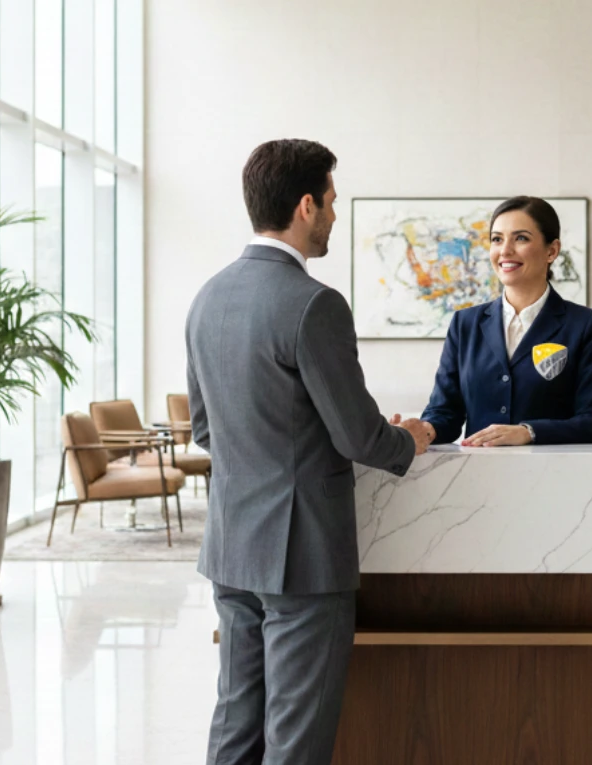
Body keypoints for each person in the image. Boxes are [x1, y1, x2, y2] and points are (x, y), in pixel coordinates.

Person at [185, 139, 433, 765]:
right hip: (303, 556)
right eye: (330, 202)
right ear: (304, 206)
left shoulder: (208, 297)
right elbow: (360, 438)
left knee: (236, 723)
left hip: (232, 544)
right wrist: (415, 437)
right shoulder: (314, 303)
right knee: (297, 740)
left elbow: (206, 429)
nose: (332, 216)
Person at [417, 196, 592, 446]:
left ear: (552, 251)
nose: (505, 250)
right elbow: (445, 413)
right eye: (497, 239)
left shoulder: (585, 325)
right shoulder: (465, 324)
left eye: (521, 238)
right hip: (477, 476)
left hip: (556, 476)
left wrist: (529, 432)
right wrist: (424, 429)